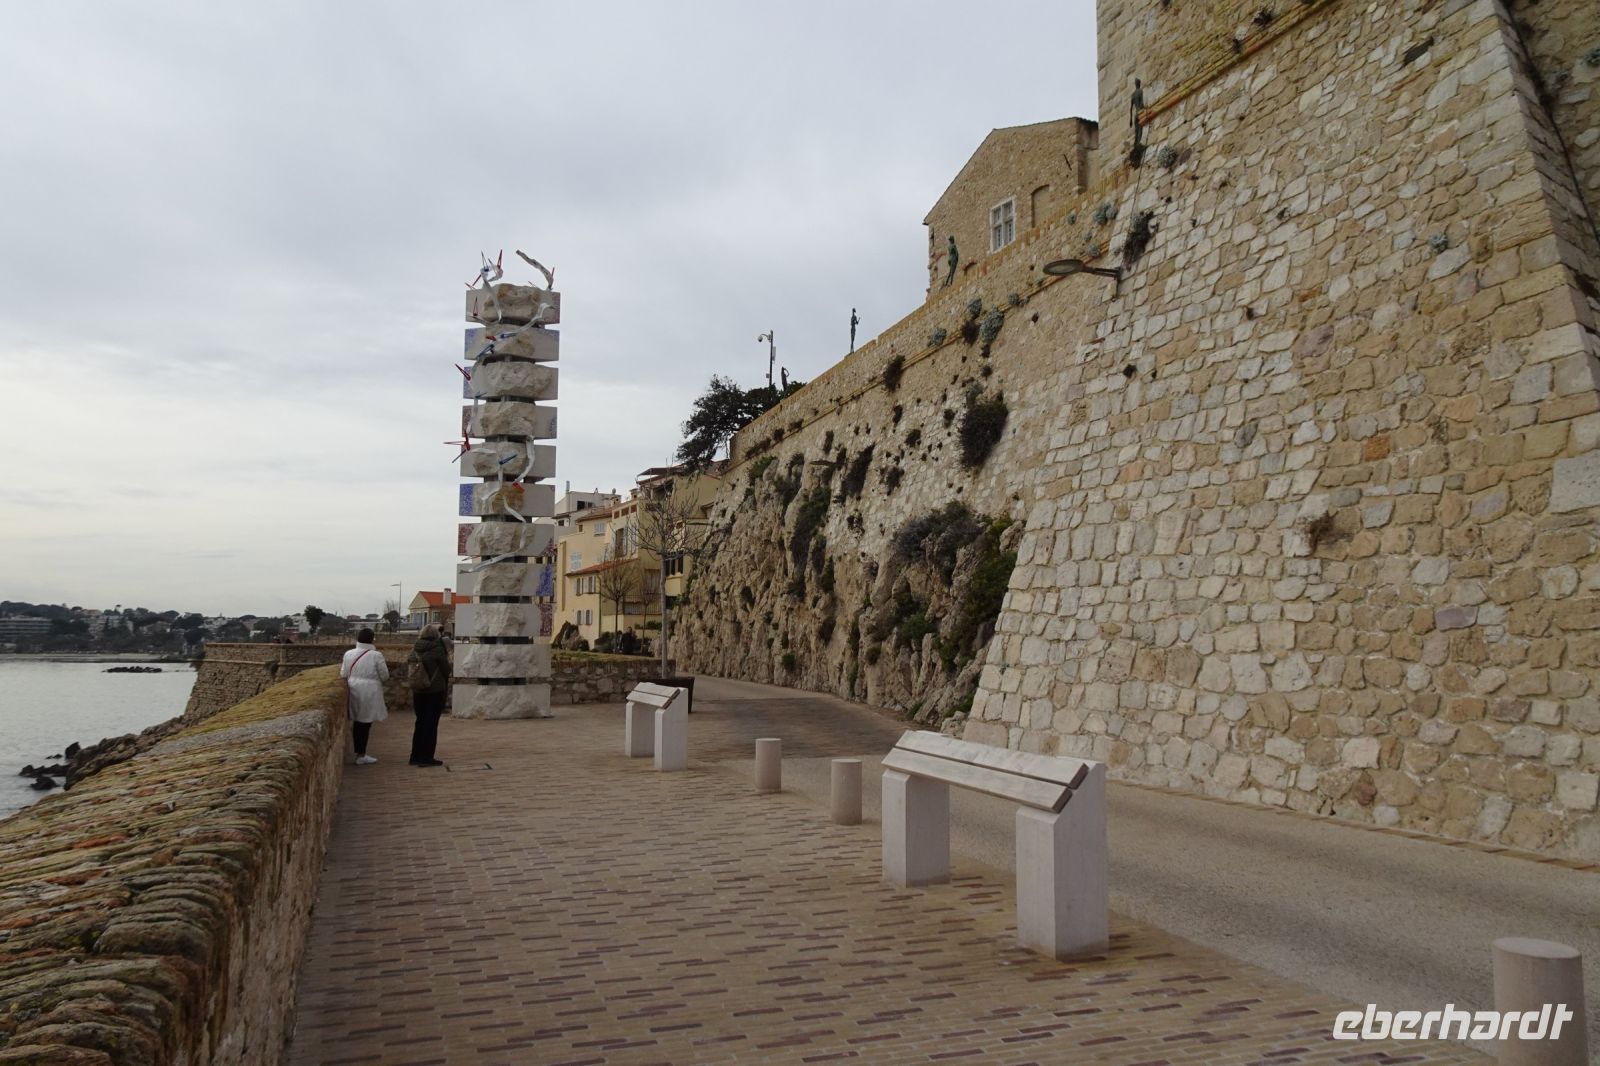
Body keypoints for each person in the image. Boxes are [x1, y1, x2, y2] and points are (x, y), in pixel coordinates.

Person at [341, 627, 389, 765]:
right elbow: (385, 675)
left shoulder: (348, 654)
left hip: (353, 687)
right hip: (369, 690)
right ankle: (361, 754)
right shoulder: (376, 655)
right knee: (365, 722)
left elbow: (343, 673)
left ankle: (359, 752)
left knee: (357, 721)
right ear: (371, 639)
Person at [407, 624, 450, 767]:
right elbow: (446, 669)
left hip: (418, 690)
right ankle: (426, 757)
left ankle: (415, 756)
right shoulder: (437, 650)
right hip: (435, 690)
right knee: (431, 724)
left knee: (420, 722)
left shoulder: (414, 650)